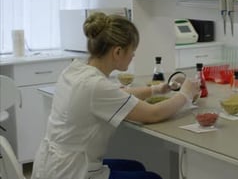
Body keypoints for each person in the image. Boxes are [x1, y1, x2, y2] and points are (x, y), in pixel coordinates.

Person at [32, 12, 199, 179]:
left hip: (53, 164)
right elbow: (152, 114)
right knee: (152, 177)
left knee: (136, 166)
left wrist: (155, 90)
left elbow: (117, 94)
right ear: (118, 52)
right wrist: (185, 94)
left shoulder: (75, 70)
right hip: (72, 172)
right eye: (132, 50)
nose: (133, 56)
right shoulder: (95, 85)